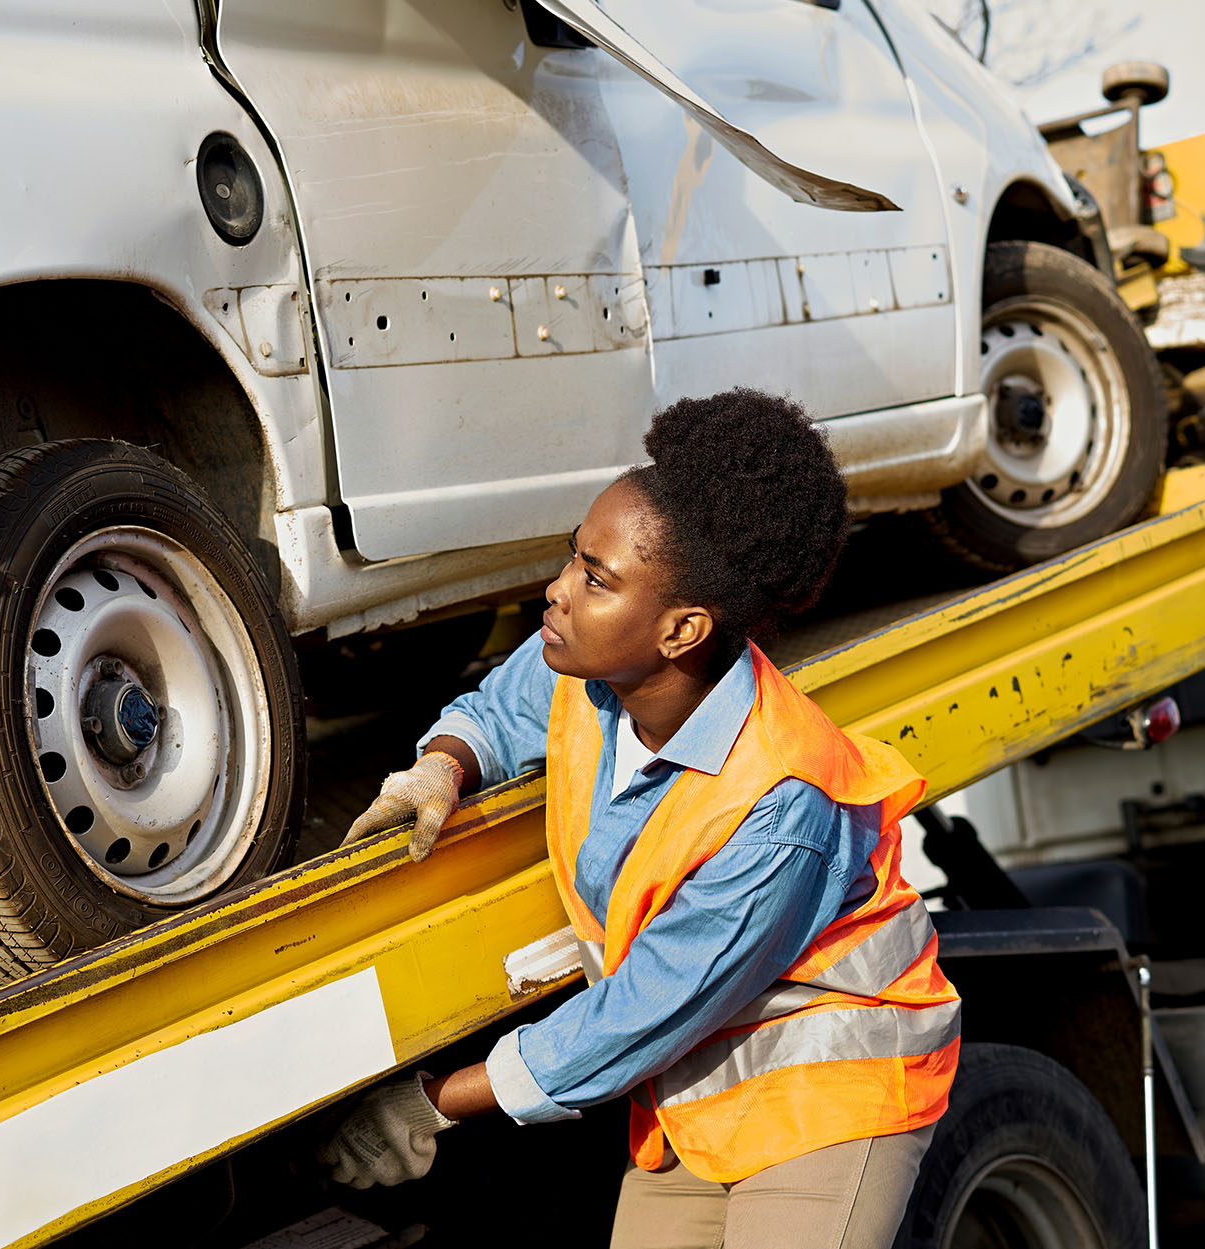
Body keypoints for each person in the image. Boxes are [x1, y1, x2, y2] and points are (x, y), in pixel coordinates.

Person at [320, 389, 961, 1248]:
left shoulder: (780, 804)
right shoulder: (591, 668)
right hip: (691, 1098)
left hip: (833, 1101)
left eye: (595, 578)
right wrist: (443, 762)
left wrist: (428, 1104)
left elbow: (638, 1013)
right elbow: (503, 710)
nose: (556, 591)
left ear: (681, 629)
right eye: (571, 558)